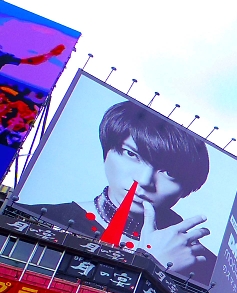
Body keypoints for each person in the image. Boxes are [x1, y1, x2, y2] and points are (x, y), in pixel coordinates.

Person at [21, 99, 215, 281]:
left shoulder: (207, 269)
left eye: (169, 172)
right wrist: (149, 263)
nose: (144, 180)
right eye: (131, 154)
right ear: (107, 150)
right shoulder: (36, 216)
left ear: (188, 187)